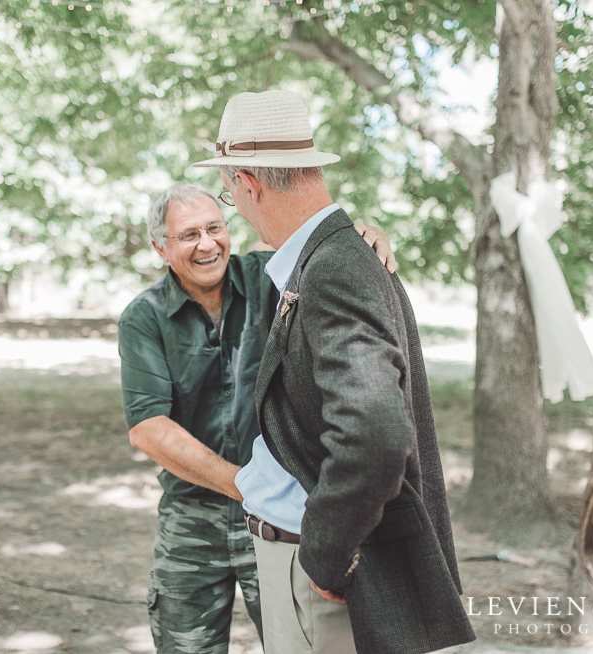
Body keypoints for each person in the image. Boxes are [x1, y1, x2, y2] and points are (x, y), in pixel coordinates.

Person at [193, 90, 477, 654]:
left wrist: (326, 555)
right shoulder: (331, 256)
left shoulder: (334, 269)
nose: (236, 210)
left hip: (314, 571)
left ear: (249, 185)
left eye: (229, 195)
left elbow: (375, 434)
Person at [118, 183, 395, 653]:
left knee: (300, 643)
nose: (207, 244)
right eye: (188, 235)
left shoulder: (274, 280)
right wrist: (245, 483)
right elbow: (148, 428)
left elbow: (326, 257)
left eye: (214, 228)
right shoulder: (143, 317)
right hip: (191, 518)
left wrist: (363, 238)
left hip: (279, 515)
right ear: (160, 248)